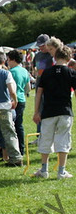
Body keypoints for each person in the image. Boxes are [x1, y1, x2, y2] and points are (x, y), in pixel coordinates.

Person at [32, 45, 76, 179]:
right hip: (65, 111)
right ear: (69, 58)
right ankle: (61, 171)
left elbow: (38, 93)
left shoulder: (46, 72)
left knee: (45, 139)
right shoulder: (71, 73)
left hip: (48, 111)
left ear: (55, 57)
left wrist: (36, 111)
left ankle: (44, 170)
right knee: (63, 140)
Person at [31, 34, 54, 145]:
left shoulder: (53, 55)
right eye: (39, 46)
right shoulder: (38, 55)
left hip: (51, 87)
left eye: (43, 45)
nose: (41, 48)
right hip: (39, 85)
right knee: (38, 110)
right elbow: (34, 67)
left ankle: (52, 137)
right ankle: (39, 135)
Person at [7, 50, 31, 155]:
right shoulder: (24, 71)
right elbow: (28, 88)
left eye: (8, 60)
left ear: (12, 60)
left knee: (11, 126)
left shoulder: (11, 72)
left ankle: (13, 149)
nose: (7, 62)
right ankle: (21, 148)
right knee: (19, 125)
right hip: (22, 100)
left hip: (12, 101)